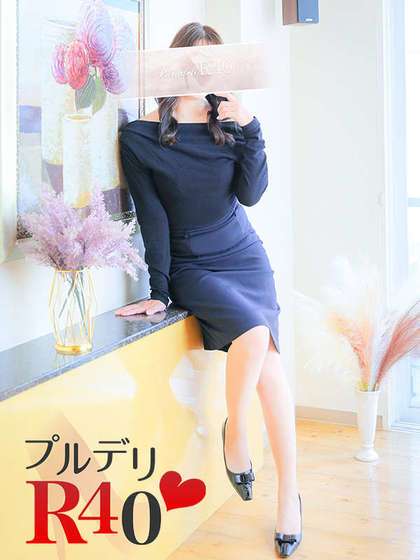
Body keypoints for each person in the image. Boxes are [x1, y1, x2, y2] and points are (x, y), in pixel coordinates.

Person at [116, 21, 302, 558]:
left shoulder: (232, 126)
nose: (202, 72)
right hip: (194, 264)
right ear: (172, 66)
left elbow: (252, 194)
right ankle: (237, 434)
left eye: (212, 62)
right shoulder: (140, 138)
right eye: (192, 61)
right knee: (256, 336)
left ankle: (288, 496)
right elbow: (153, 219)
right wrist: (159, 288)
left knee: (270, 368)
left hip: (244, 256)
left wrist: (251, 127)